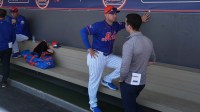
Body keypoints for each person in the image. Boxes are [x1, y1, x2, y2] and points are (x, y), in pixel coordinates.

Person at [80, 5, 150, 112]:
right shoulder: (98, 25)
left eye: (116, 13)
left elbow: (129, 24)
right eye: (112, 13)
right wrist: (89, 48)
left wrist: (141, 19)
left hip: (108, 56)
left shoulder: (116, 25)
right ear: (106, 14)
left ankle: (107, 79)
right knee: (94, 81)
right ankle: (93, 105)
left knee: (124, 64)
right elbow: (83, 31)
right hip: (97, 56)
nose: (115, 15)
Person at [119, 13, 156, 112]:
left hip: (129, 83)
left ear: (129, 26)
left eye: (125, 22)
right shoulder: (149, 41)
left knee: (129, 108)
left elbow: (125, 67)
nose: (125, 25)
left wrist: (121, 79)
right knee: (132, 104)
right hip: (142, 83)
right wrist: (143, 62)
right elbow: (153, 60)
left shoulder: (129, 44)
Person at [0, 9, 16, 87]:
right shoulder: (9, 25)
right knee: (5, 64)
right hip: (6, 48)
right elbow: (13, 38)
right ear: (5, 16)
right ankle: (4, 81)